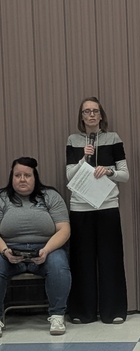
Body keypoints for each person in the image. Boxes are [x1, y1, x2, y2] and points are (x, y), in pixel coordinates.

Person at [66, 97, 129, 323]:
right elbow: (69, 175)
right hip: (80, 207)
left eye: (95, 111)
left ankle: (114, 311)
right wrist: (84, 157)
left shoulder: (113, 139)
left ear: (101, 115)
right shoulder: (73, 140)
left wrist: (109, 172)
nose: (91, 115)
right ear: (81, 117)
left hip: (107, 205)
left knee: (110, 258)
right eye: (86, 112)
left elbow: (125, 174)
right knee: (82, 259)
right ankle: (83, 312)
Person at [0, 157, 71, 337]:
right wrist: (5, 251)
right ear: (11, 177)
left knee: (59, 265)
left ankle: (57, 315)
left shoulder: (50, 196)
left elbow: (64, 230)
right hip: (8, 250)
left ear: (35, 177)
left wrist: (46, 250)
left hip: (46, 248)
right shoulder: (2, 198)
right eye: (17, 175)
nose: (22, 179)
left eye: (27, 175)